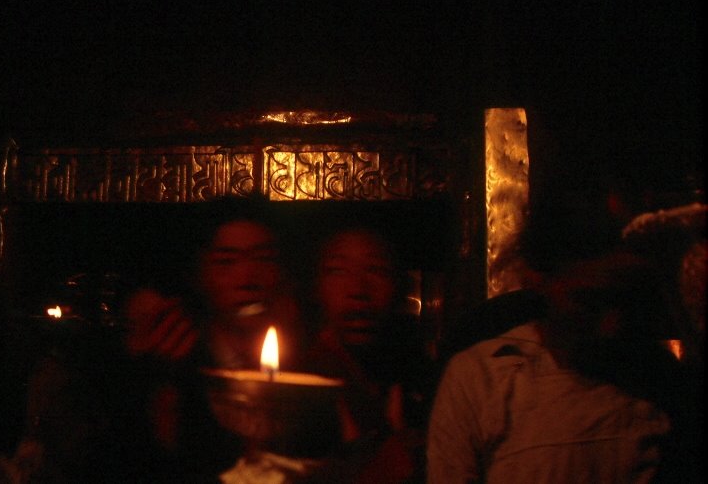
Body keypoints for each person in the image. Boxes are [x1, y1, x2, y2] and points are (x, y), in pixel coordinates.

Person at [426, 245, 688, 483]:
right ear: (541, 280)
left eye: (621, 302)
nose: (610, 326)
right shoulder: (481, 377)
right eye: (588, 302)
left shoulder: (658, 377)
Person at [120, 194, 306, 482]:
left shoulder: (307, 363)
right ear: (199, 275)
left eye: (263, 258)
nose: (247, 279)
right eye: (226, 262)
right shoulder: (178, 361)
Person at [295, 223, 436, 484]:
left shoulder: (422, 379)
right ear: (314, 286)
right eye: (337, 271)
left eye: (375, 270)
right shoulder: (294, 383)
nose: (358, 290)